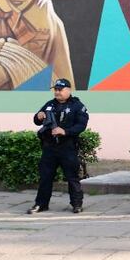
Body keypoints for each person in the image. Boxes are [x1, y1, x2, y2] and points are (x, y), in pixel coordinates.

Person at [27, 78, 88, 214]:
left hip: (67, 147)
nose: (57, 92)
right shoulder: (50, 104)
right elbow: (36, 120)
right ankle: (41, 204)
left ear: (68, 90)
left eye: (60, 89)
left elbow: (81, 125)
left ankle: (76, 204)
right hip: (49, 147)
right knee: (45, 177)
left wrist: (65, 131)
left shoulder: (77, 106)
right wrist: (39, 116)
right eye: (56, 89)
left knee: (72, 177)